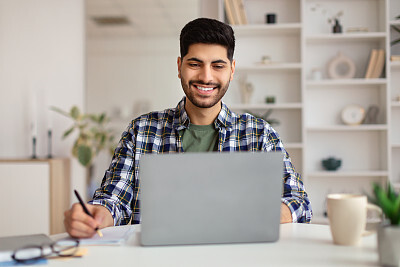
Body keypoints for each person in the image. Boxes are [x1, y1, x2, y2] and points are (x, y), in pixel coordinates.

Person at [64, 18, 312, 238]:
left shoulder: (259, 134)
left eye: (218, 65)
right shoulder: (141, 130)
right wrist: (95, 215)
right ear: (180, 66)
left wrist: (252, 213)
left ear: (232, 70)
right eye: (195, 64)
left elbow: (300, 203)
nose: (206, 77)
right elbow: (114, 200)